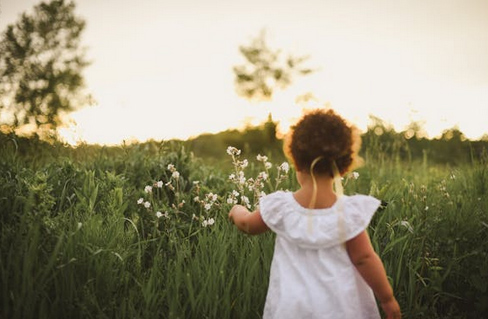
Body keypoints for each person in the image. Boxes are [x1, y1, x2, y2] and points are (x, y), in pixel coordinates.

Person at [228, 108, 401, 319]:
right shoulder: (347, 213)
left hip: (292, 309)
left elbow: (248, 225)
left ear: (295, 159)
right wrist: (387, 299)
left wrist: (237, 210)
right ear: (344, 166)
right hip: (340, 309)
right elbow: (364, 258)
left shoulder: (281, 207)